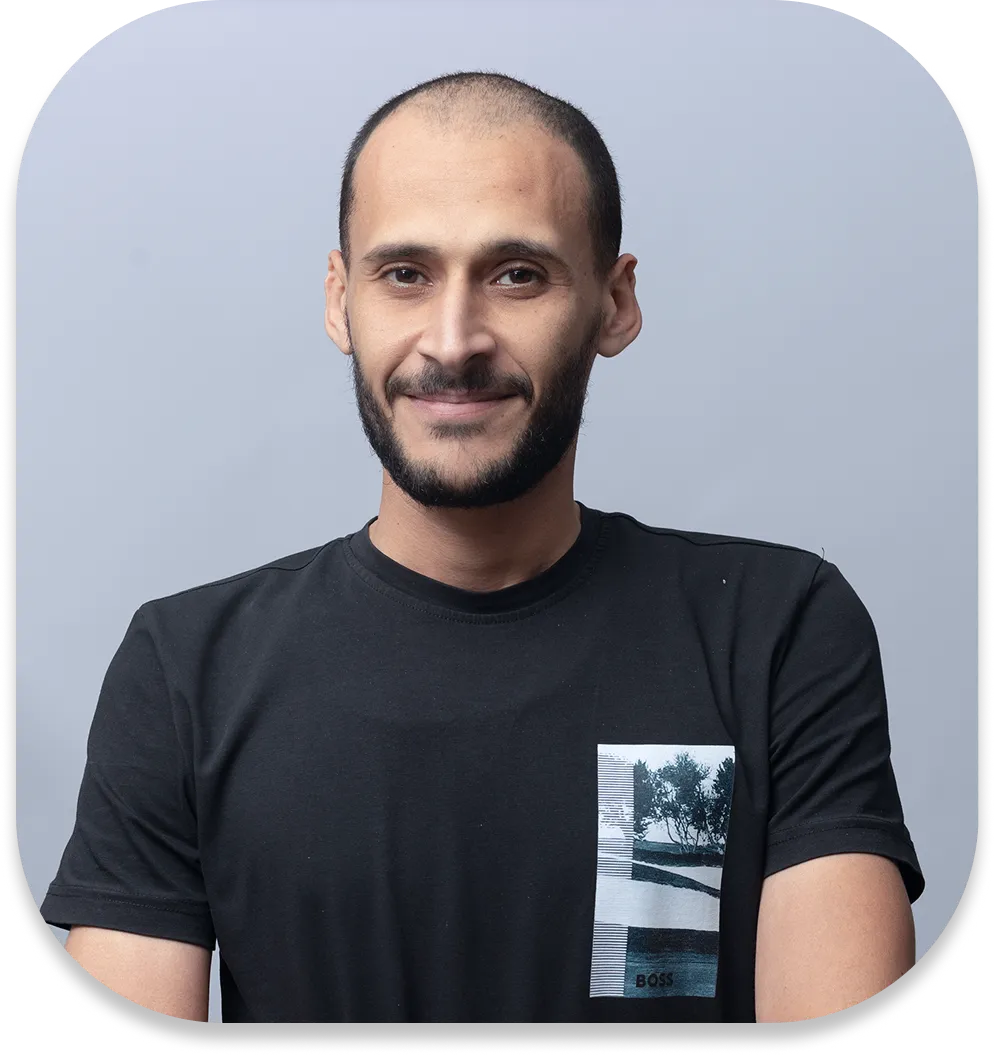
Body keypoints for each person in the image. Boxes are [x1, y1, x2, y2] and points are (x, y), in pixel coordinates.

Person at [41, 71, 923, 1025]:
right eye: (404, 274)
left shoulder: (778, 630)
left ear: (614, 303)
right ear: (340, 301)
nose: (453, 341)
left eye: (517, 275)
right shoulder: (184, 669)